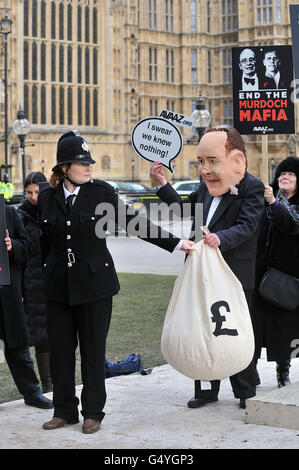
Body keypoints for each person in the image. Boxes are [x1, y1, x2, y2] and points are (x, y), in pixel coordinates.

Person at [38, 130, 193, 434]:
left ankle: (93, 411)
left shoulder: (101, 193)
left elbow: (134, 223)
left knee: (93, 351)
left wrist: (176, 243)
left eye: (89, 163)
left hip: (95, 286)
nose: (88, 167)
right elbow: (42, 243)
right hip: (58, 286)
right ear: (64, 168)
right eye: (81, 164)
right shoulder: (46, 198)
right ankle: (64, 410)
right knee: (60, 351)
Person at [151, 124, 265, 409]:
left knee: (235, 332)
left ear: (236, 161)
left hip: (233, 273)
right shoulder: (205, 185)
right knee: (201, 329)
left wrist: (220, 238)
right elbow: (183, 210)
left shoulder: (251, 187)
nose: (205, 168)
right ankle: (205, 390)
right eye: (202, 162)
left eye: (212, 161)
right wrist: (163, 184)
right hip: (200, 272)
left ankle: (245, 390)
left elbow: (248, 226)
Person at [252, 156, 299, 387]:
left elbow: (291, 225)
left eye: (290, 175)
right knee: (255, 326)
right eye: (282, 174)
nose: (285, 177)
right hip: (262, 272)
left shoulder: (279, 204)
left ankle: (283, 371)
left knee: (284, 329)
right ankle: (249, 374)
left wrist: (274, 205)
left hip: (287, 277)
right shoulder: (265, 201)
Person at [0, 204, 53, 409]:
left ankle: (32, 392)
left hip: (7, 291)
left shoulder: (9, 213)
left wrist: (12, 245)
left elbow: (27, 246)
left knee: (18, 345)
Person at [17, 172, 52, 394]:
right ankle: (47, 384)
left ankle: (59, 382)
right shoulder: (20, 215)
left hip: (53, 279)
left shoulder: (55, 209)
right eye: (29, 192)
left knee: (58, 335)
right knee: (40, 336)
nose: (33, 197)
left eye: (37, 192)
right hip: (32, 282)